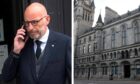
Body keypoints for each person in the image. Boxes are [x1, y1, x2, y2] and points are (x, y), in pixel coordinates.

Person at [1, 2, 71, 84]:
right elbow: (6, 77)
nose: (30, 28)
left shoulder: (64, 43)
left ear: (47, 19)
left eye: (34, 22)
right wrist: (16, 51)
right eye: (27, 23)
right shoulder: (21, 46)